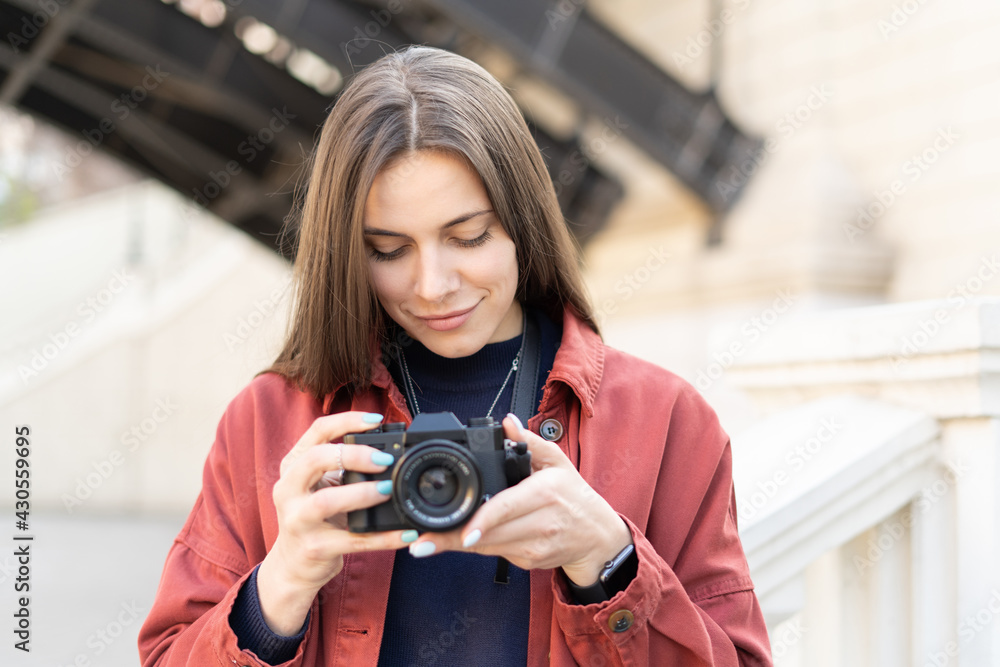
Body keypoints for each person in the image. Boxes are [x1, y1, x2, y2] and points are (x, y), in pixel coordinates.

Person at [138, 45, 772, 666]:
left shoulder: (666, 424)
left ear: (522, 222)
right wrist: (276, 591)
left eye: (468, 237)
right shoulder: (267, 423)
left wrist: (608, 562)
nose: (433, 285)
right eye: (388, 250)